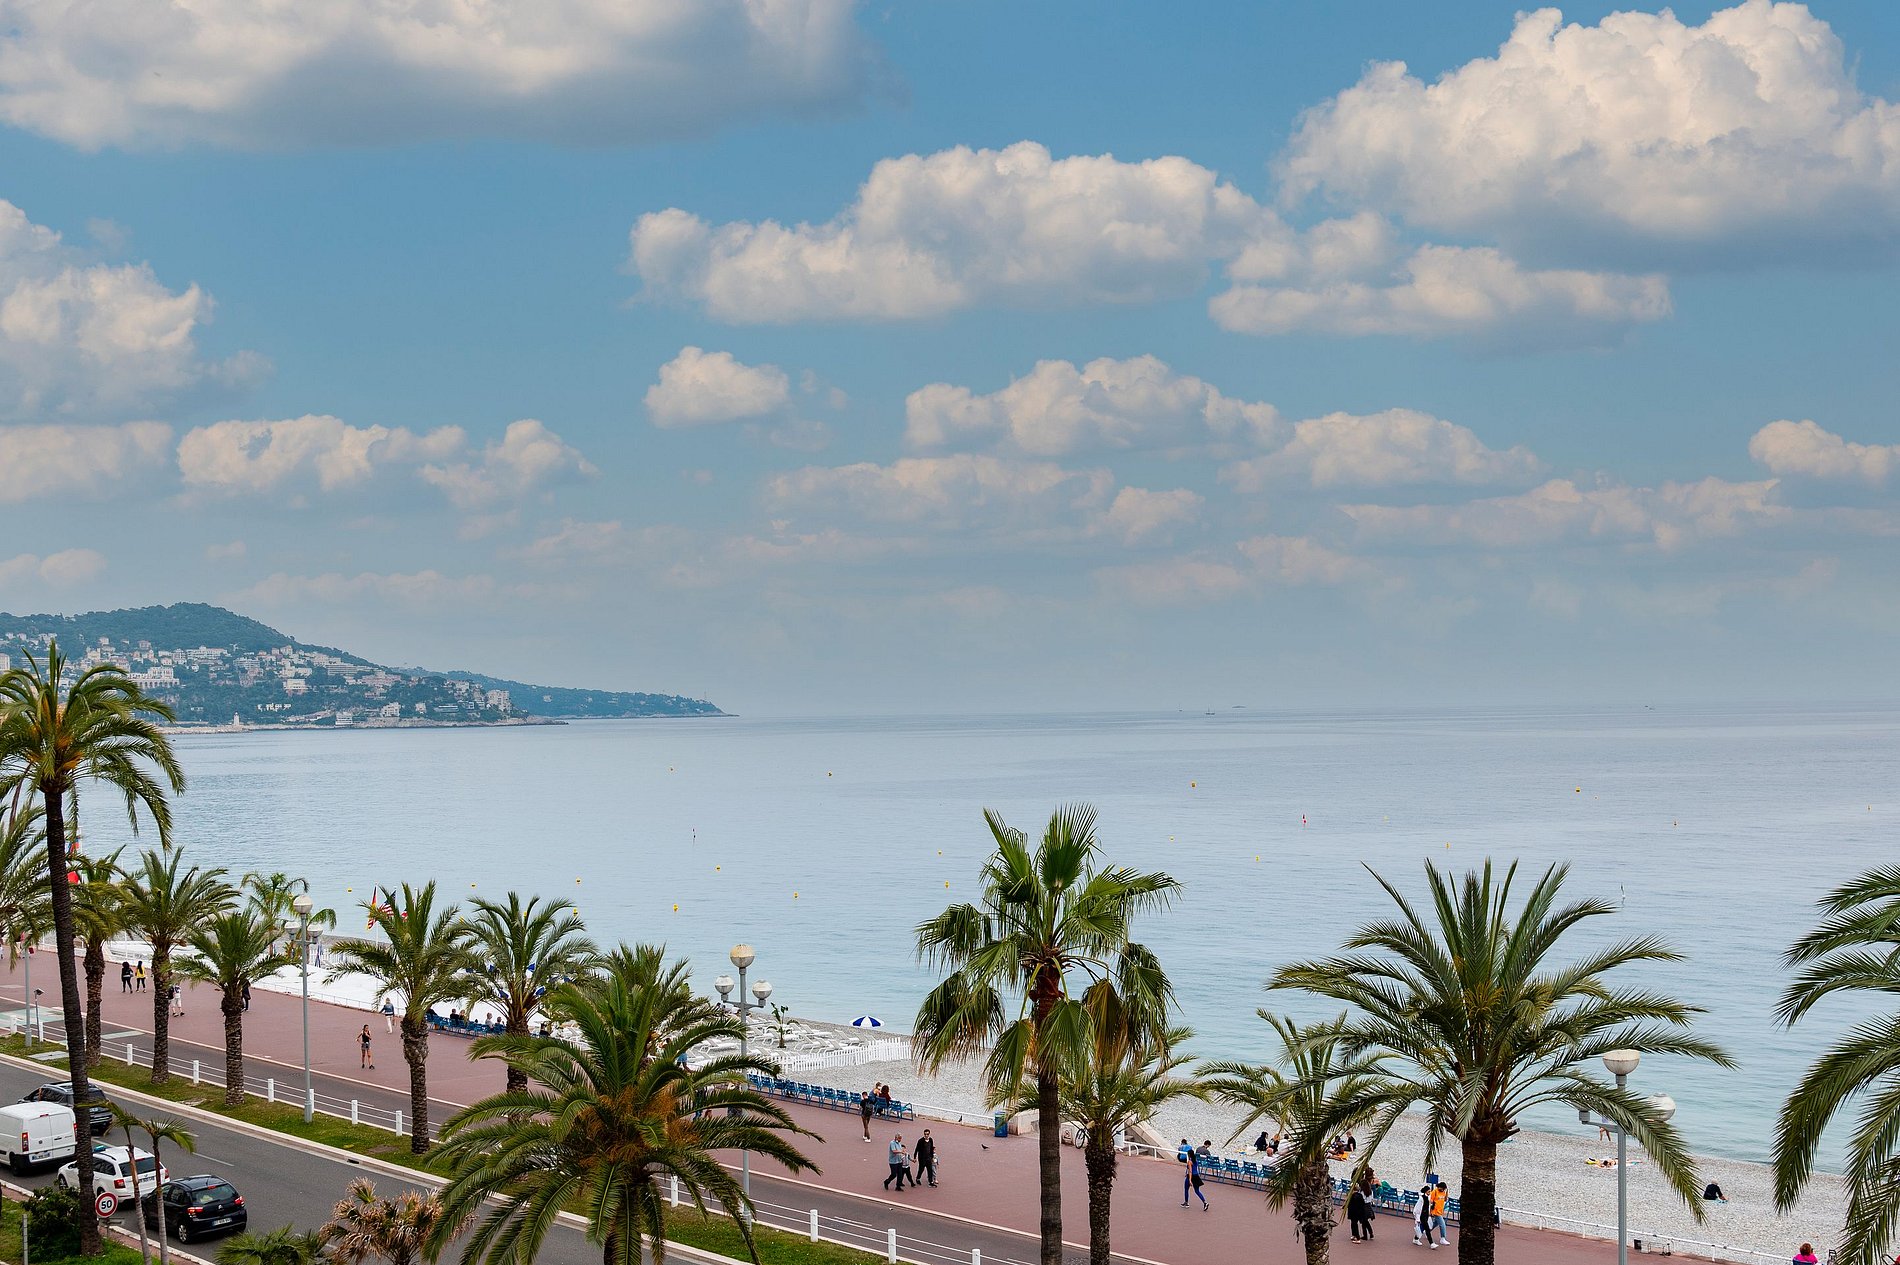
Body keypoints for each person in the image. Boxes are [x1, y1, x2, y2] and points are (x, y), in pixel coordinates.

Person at [1346, 1173, 1374, 1242]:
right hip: (1368, 1206)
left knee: (1364, 1222)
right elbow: (1371, 1199)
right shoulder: (1370, 1191)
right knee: (1366, 1221)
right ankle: (1370, 1233)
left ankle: (1365, 1235)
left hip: (1363, 1206)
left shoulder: (1361, 1192)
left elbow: (1361, 1200)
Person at [1182, 1144, 1209, 1210]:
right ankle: (1205, 1202)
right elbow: (1195, 1169)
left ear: (1189, 1155)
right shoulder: (1195, 1160)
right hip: (1196, 1176)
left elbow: (1190, 1171)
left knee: (1186, 1189)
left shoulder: (1189, 1162)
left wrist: (1190, 1180)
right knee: (1197, 1191)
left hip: (1191, 1176)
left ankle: (1186, 1202)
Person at [1427, 1181, 1451, 1249]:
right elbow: (1430, 1201)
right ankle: (1443, 1238)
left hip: (1440, 1211)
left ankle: (1427, 1231)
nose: (1442, 1190)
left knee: (1435, 1223)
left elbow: (1445, 1200)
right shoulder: (1434, 1192)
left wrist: (1447, 1192)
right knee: (1442, 1224)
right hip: (1435, 1211)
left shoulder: (1443, 1192)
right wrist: (1430, 1211)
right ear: (1439, 1187)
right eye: (1442, 1188)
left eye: (1444, 1189)